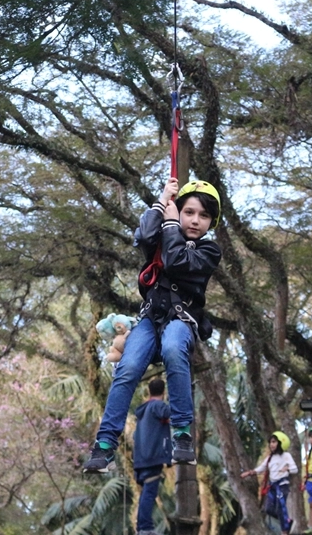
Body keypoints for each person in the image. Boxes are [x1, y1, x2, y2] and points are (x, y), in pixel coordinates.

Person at [83, 178, 222, 472]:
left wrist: (172, 225)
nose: (195, 220)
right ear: (178, 211)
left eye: (204, 216)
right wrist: (162, 201)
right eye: (189, 212)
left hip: (181, 319)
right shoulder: (161, 235)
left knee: (173, 348)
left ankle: (183, 434)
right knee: (129, 367)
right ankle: (105, 445)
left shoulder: (209, 251)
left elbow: (177, 262)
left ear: (211, 222)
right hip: (149, 319)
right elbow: (144, 236)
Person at [132, 378, 173, 535]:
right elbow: (172, 413)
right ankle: (146, 528)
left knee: (146, 493)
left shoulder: (143, 412)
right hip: (152, 456)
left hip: (141, 458)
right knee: (149, 493)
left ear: (149, 391)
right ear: (163, 392)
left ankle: (142, 527)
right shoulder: (158, 406)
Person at [241, 431, 298, 535]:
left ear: (280, 443)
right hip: (272, 486)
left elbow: (295, 469)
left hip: (282, 485)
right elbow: (261, 468)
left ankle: (284, 531)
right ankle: (287, 521)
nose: (271, 444)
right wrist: (249, 473)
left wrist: (287, 469)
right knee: (268, 509)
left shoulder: (286, 455)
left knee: (281, 507)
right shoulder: (270, 458)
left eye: (274, 442)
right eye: (270, 442)